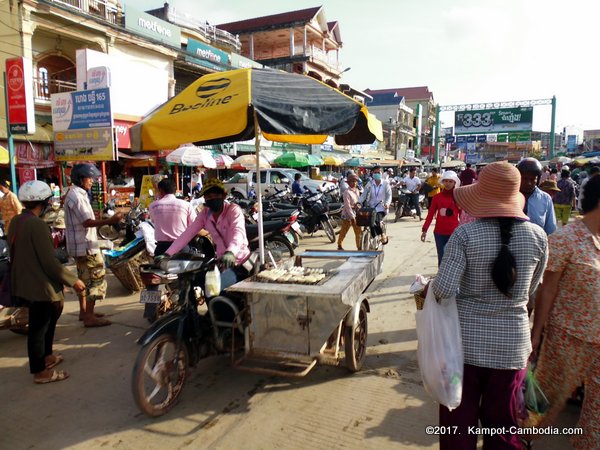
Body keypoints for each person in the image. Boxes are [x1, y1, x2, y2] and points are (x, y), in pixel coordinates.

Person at [431, 162, 548, 449]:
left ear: (481, 197)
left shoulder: (465, 235)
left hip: (464, 349)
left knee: (457, 425)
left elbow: (443, 291)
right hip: (512, 349)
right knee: (504, 428)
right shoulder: (539, 238)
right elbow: (530, 292)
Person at [529, 175, 600, 450]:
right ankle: (520, 440)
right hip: (568, 338)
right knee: (543, 403)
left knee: (596, 409)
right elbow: (547, 291)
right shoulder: (566, 239)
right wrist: (536, 335)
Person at [9, 181, 86, 384]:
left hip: (26, 279)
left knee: (49, 318)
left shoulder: (17, 220)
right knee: (38, 328)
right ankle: (40, 371)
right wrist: (74, 281)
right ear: (44, 202)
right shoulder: (38, 225)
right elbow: (49, 261)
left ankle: (47, 356)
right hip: (39, 283)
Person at [163, 178, 251, 290]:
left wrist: (231, 252)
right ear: (204, 198)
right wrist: (167, 254)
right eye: (209, 196)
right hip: (220, 262)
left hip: (239, 261)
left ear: (223, 195)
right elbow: (187, 234)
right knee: (187, 279)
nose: (212, 199)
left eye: (216, 195)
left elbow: (238, 232)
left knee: (215, 288)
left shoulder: (233, 210)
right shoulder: (205, 214)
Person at [64, 163, 122, 327]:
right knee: (95, 279)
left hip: (81, 246)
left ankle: (84, 312)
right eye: (90, 178)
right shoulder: (77, 196)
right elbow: (87, 222)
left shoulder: (75, 194)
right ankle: (89, 316)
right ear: (81, 179)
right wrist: (110, 220)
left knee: (83, 279)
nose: (92, 182)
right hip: (86, 246)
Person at [145, 178, 196, 320]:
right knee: (188, 278)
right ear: (175, 190)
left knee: (154, 278)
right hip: (182, 247)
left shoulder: (154, 206)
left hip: (161, 249)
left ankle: (150, 313)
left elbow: (155, 222)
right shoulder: (186, 205)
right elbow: (194, 226)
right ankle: (189, 310)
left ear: (160, 191)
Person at [420, 170, 461, 266]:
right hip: (439, 232)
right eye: (446, 181)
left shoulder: (458, 197)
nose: (448, 183)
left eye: (451, 181)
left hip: (454, 232)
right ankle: (441, 277)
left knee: (452, 257)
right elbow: (430, 215)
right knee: (441, 257)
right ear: (443, 182)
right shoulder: (436, 197)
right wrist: (424, 230)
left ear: (455, 183)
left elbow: (463, 215)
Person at [517, 158, 557, 235]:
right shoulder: (509, 197)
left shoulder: (545, 199)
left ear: (538, 179)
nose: (528, 183)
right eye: (525, 179)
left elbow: (551, 229)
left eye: (532, 179)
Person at [359, 166, 392, 244]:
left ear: (382, 173)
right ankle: (373, 237)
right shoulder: (369, 184)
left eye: (378, 172)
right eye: (375, 172)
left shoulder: (385, 183)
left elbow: (389, 195)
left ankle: (382, 234)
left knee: (375, 219)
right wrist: (358, 202)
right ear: (372, 174)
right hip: (370, 208)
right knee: (368, 220)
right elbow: (364, 195)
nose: (377, 174)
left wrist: (387, 204)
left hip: (381, 208)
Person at [337, 173, 361, 251]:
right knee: (344, 231)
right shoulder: (346, 192)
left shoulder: (357, 190)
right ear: (349, 182)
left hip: (356, 212)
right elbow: (347, 206)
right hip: (347, 215)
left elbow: (359, 201)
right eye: (352, 181)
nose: (354, 183)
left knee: (358, 231)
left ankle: (359, 247)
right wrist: (352, 217)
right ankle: (339, 244)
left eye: (355, 181)